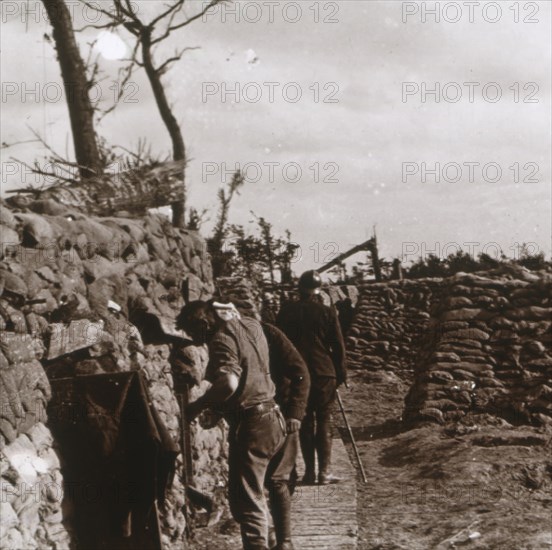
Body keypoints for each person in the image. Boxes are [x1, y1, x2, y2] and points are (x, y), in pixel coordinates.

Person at [176, 301, 286, 550]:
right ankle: (270, 540)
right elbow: (248, 375)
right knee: (250, 494)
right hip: (272, 417)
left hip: (253, 424)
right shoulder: (250, 324)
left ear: (205, 323)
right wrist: (218, 408)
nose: (198, 340)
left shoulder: (221, 339)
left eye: (196, 333)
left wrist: (198, 406)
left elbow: (229, 383)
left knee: (249, 501)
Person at [276, 270, 347, 485]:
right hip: (324, 373)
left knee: (304, 421)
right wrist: (340, 375)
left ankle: (308, 473)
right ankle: (324, 472)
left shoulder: (286, 313)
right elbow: (338, 347)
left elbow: (279, 346)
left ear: (299, 290)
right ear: (318, 292)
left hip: (296, 375)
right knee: (324, 420)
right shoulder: (327, 312)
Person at [262, 322, 310, 550]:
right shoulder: (228, 337)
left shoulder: (269, 333)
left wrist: (295, 413)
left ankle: (284, 541)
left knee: (277, 478)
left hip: (282, 410)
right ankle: (271, 530)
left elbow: (300, 372)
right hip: (253, 418)